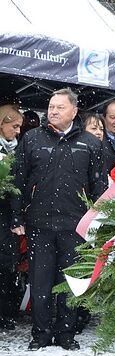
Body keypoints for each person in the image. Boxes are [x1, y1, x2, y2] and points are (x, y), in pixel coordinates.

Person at [11, 89, 107, 350]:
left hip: (75, 226)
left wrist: (97, 221)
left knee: (70, 282)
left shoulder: (90, 143)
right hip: (39, 224)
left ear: (74, 111)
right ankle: (40, 334)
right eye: (51, 107)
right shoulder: (31, 139)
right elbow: (18, 180)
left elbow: (99, 186)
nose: (52, 111)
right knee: (40, 282)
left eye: (59, 107)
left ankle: (66, 334)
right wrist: (17, 217)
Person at [0, 105, 23, 330]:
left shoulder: (16, 150)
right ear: (2, 123)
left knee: (8, 266)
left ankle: (7, 312)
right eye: (14, 126)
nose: (17, 131)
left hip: (9, 217)